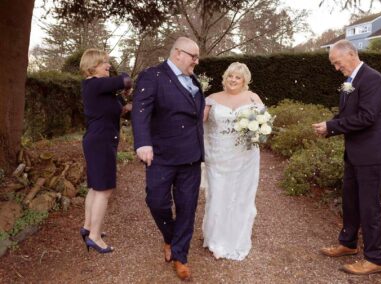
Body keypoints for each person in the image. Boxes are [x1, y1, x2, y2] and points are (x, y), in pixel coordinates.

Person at [312, 39, 381, 275]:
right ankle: (348, 244)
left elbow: (367, 117)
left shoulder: (372, 79)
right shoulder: (350, 81)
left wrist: (332, 126)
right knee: (350, 201)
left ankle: (375, 258)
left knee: (369, 207)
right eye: (333, 65)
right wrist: (329, 127)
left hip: (372, 154)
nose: (336, 68)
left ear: (351, 54)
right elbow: (350, 114)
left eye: (337, 63)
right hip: (356, 153)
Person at [131, 37, 204, 281]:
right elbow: (141, 109)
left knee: (187, 207)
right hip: (161, 155)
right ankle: (170, 237)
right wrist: (143, 142)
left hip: (191, 156)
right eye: (193, 56)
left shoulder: (193, 81)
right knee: (156, 201)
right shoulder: (153, 75)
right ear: (177, 54)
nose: (196, 61)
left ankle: (180, 256)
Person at [202, 62, 264, 260]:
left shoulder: (253, 98)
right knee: (218, 194)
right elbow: (198, 122)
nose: (233, 80)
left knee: (241, 196)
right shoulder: (212, 99)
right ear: (225, 77)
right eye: (230, 76)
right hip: (218, 156)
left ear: (244, 80)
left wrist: (258, 130)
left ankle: (235, 237)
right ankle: (215, 238)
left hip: (245, 157)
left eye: (238, 77)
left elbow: (263, 124)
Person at [79, 48, 132, 253]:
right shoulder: (93, 84)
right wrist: (127, 86)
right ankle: (94, 236)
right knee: (105, 189)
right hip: (100, 142)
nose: (109, 66)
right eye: (104, 63)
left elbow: (122, 109)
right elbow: (125, 79)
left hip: (99, 140)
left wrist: (133, 103)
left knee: (95, 186)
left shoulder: (104, 90)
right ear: (92, 67)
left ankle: (88, 227)